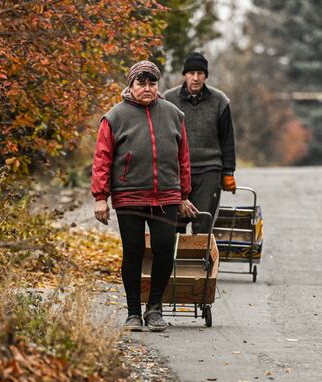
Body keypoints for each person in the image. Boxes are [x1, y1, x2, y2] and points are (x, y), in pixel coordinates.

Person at [91, 61, 197, 332]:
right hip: (129, 195)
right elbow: (102, 159)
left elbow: (182, 158)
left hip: (167, 196)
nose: (147, 88)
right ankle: (133, 313)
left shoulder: (173, 114)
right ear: (131, 85)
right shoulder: (114, 117)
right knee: (134, 252)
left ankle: (155, 309)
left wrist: (184, 194)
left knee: (163, 250)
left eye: (152, 83)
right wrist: (100, 197)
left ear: (157, 85)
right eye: (142, 83)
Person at [164, 52, 236, 234]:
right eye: (191, 73)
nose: (195, 78)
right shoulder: (168, 100)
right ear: (184, 75)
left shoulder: (219, 101)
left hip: (209, 170)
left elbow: (227, 138)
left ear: (206, 76)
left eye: (200, 73)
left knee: (203, 223)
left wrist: (228, 171)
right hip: (176, 171)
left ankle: (200, 262)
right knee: (174, 224)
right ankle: (173, 262)